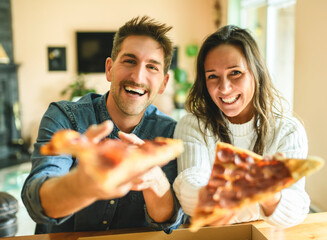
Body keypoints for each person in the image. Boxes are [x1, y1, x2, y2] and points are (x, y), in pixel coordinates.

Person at [21, 16, 184, 234]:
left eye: (152, 67)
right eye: (129, 61)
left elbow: (169, 223)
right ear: (109, 68)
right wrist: (83, 184)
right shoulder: (64, 117)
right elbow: (37, 202)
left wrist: (152, 176)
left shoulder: (170, 135)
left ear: (163, 82)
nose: (138, 76)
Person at [173, 25, 310, 228]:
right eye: (212, 76)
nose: (224, 87)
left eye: (235, 73)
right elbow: (190, 191)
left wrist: (270, 196)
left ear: (257, 72)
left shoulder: (288, 130)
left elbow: (296, 208)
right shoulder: (193, 125)